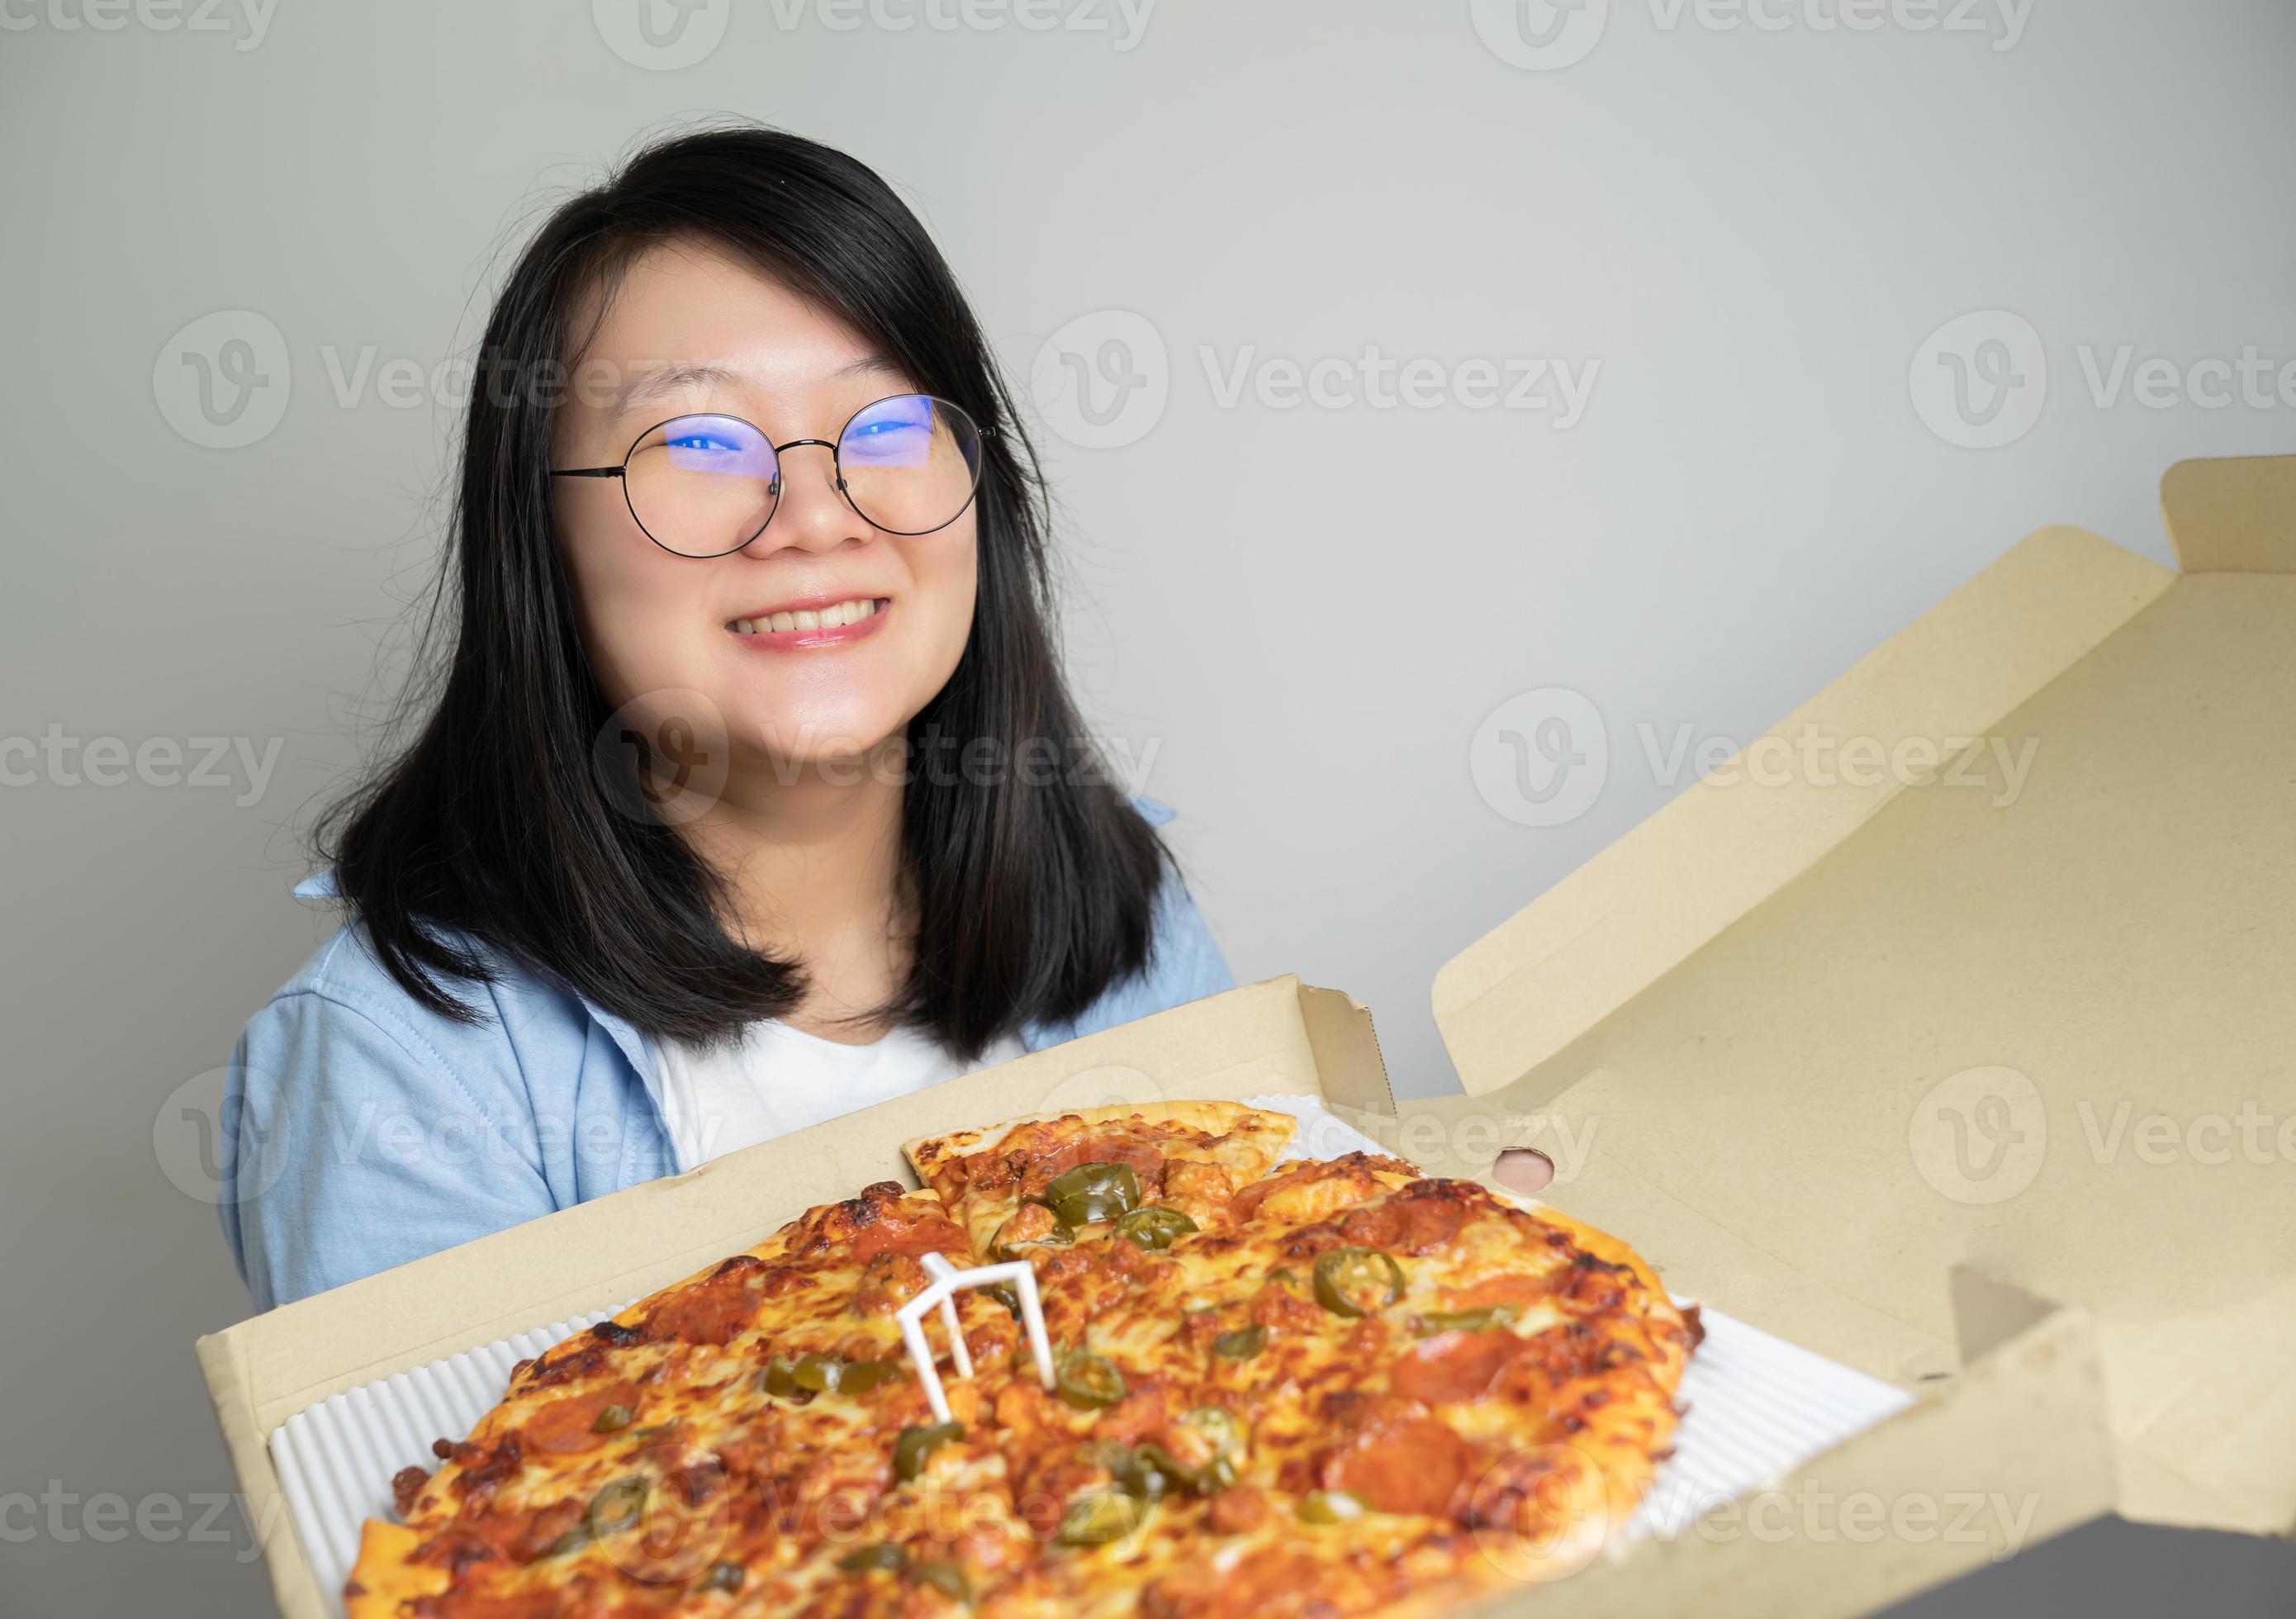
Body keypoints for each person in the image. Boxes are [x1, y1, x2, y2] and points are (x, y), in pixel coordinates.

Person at [218, 125, 1232, 1311]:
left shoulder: (1127, 912)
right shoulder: (401, 1068)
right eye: (697, 441)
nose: (811, 515)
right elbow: (455, 1494)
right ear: (538, 540)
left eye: (889, 424)